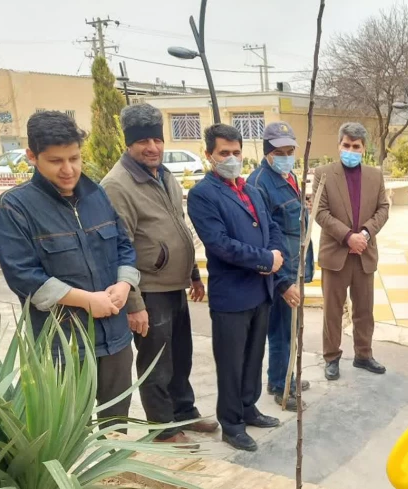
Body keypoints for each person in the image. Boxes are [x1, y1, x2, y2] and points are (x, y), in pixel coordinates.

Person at [0, 110, 139, 425]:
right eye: (56, 161)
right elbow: (24, 276)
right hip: (63, 347)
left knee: (116, 429)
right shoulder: (14, 208)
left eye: (74, 158)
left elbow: (124, 246)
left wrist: (124, 284)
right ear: (32, 156)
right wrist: (87, 300)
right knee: (71, 434)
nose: (69, 169)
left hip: (115, 338)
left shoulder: (96, 194)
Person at [101, 103, 218, 445]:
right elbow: (118, 247)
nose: (152, 147)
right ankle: (162, 430)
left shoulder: (164, 175)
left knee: (180, 356)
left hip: (174, 285)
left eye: (156, 139)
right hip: (148, 290)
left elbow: (177, 228)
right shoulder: (117, 186)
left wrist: (194, 274)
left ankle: (183, 412)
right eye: (142, 141)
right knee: (156, 363)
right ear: (128, 144)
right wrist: (134, 303)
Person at [186, 124, 286, 452]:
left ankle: (248, 407)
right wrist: (264, 259)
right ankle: (231, 424)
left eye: (236, 152)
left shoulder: (251, 190)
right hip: (232, 295)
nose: (231, 159)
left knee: (253, 357)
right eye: (223, 153)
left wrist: (273, 255)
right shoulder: (204, 195)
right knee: (230, 363)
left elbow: (270, 227)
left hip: (261, 291)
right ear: (209, 155)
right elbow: (220, 244)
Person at [247, 121, 315, 410]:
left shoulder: (288, 176)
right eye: (281, 151)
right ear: (268, 152)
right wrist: (284, 283)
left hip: (295, 266)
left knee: (292, 328)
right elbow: (265, 238)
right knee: (281, 331)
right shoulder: (260, 183)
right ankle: (279, 384)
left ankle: (287, 375)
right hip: (279, 273)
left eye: (290, 150)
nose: (287, 155)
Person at [315, 122, 390, 381]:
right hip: (336, 254)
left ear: (363, 149)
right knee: (333, 310)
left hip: (364, 254)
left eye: (355, 146)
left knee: (364, 310)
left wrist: (365, 234)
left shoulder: (375, 175)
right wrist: (348, 237)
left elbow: (383, 209)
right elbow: (321, 212)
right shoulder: (323, 173)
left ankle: (363, 354)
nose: (350, 150)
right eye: (346, 145)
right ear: (339, 145)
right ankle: (332, 357)